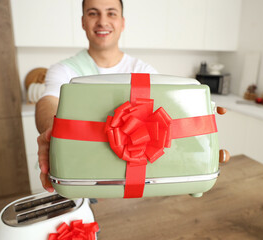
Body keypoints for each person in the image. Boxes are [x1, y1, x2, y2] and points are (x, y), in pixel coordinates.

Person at [36, 0, 229, 193]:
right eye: (93, 13)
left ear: (122, 22)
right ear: (83, 22)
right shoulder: (64, 71)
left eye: (111, 13)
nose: (103, 21)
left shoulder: (144, 72)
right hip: (82, 182)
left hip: (139, 187)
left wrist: (197, 147)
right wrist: (53, 133)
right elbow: (48, 102)